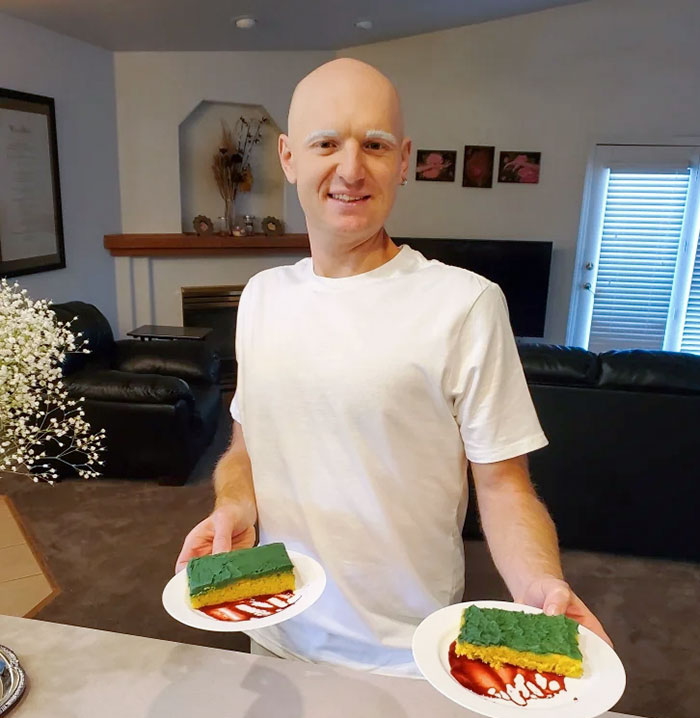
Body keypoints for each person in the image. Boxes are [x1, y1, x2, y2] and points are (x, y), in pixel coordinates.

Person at [175, 58, 611, 676]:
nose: (350, 169)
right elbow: (247, 449)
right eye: (326, 143)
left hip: (408, 656)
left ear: (403, 160)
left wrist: (541, 585)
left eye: (373, 145)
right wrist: (233, 509)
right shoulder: (261, 296)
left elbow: (504, 484)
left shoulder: (464, 304)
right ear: (288, 157)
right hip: (274, 631)